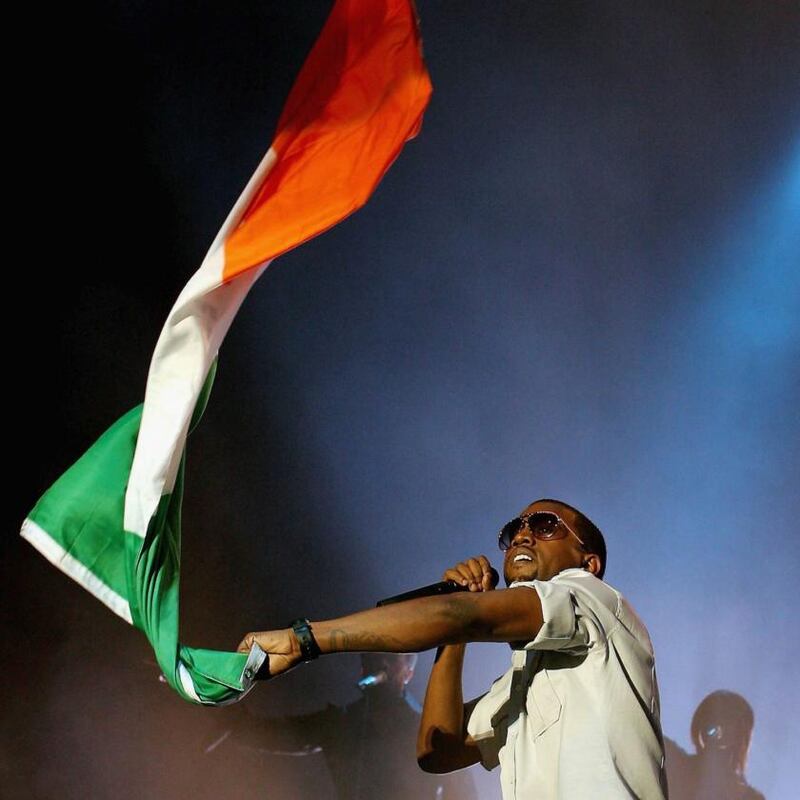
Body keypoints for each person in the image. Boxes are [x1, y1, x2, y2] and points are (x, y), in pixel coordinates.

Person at [240, 498, 667, 799]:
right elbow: (438, 751)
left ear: (588, 561)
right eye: (514, 530)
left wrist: (303, 639)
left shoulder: (593, 596)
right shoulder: (521, 682)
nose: (522, 535)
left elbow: (456, 615)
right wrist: (455, 634)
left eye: (544, 525)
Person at [204, 652, 477, 800]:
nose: (381, 663)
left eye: (391, 658)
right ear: (362, 667)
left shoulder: (430, 729)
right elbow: (279, 735)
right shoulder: (341, 722)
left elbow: (462, 791)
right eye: (373, 657)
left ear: (408, 672)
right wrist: (227, 713)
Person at [665, 690, 764, 800]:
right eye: (711, 717)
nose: (718, 725)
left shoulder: (749, 797)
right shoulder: (674, 762)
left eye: (727, 718)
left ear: (741, 732)